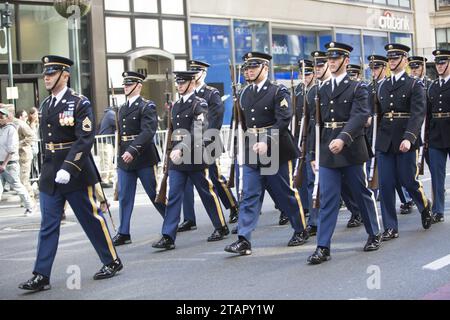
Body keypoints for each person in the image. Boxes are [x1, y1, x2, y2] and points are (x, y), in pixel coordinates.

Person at [18, 55, 122, 293]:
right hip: (51, 174)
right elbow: (48, 142)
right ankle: (41, 275)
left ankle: (112, 260)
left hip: (74, 172)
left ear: (65, 75)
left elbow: (85, 139)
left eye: (51, 74)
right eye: (45, 74)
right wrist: (47, 171)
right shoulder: (46, 105)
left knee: (90, 219)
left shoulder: (79, 102)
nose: (46, 78)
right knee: (48, 225)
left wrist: (68, 167)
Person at [224, 52, 308, 256]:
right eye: (246, 68)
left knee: (284, 194)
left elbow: (284, 119)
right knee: (249, 194)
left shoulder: (278, 91)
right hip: (253, 148)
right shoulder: (244, 93)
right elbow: (244, 123)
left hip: (276, 148)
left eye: (253, 67)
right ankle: (244, 239)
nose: (248, 71)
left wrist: (267, 141)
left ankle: (300, 229)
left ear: (265, 68)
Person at [307, 42, 382, 265]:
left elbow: (360, 116)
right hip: (328, 151)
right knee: (328, 198)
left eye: (335, 58)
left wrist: (343, 137)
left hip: (350, 149)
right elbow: (316, 123)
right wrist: (313, 153)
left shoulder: (358, 88)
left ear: (346, 61)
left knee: (360, 192)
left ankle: (374, 233)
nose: (330, 62)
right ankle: (323, 246)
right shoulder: (321, 89)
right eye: (328, 58)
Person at [152, 71, 229, 250]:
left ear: (192, 84)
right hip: (177, 160)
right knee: (173, 196)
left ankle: (221, 226)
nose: (179, 85)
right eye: (178, 83)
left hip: (194, 156)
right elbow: (172, 132)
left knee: (206, 193)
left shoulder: (199, 103)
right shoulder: (176, 105)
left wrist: (181, 148)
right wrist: (169, 154)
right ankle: (168, 236)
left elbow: (198, 129)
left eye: (182, 83)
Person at [376, 44, 432, 241]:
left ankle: (425, 205)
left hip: (405, 139)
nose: (391, 61)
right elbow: (378, 114)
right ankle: (390, 227)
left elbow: (417, 114)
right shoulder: (382, 85)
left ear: (405, 61)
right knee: (385, 184)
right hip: (385, 141)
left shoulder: (415, 85)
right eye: (389, 58)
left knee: (408, 181)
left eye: (395, 58)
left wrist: (409, 137)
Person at [177, 60, 239, 233]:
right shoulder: (185, 95)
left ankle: (233, 206)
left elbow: (216, 119)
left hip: (208, 142)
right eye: (192, 72)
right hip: (189, 144)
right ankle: (189, 218)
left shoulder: (211, 93)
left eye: (197, 72)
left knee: (215, 177)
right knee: (187, 181)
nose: (194, 75)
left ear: (203, 74)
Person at [112, 71, 166, 246]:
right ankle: (123, 232)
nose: (126, 87)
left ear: (138, 86)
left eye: (129, 84)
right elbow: (120, 134)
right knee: (125, 196)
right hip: (124, 158)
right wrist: (119, 155)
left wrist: (133, 150)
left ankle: (170, 220)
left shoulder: (146, 106)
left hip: (142, 156)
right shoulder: (121, 108)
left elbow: (148, 131)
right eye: (125, 84)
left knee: (153, 193)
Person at [427, 49, 450, 223]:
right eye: (438, 63)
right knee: (436, 174)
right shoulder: (432, 86)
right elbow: (427, 114)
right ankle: (438, 210)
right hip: (435, 134)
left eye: (443, 63)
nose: (439, 66)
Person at [0, 108, 34, 216]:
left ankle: (30, 207)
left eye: (2, 116)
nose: (0, 118)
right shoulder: (1, 129)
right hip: (1, 163)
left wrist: (4, 164)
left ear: (8, 117)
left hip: (10, 164)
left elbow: (12, 148)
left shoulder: (12, 129)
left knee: (18, 185)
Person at [14, 108, 37, 205]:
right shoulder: (12, 124)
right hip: (16, 156)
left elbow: (32, 136)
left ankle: (31, 201)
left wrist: (18, 144)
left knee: (24, 180)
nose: (27, 118)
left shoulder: (20, 124)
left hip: (24, 155)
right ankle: (25, 200)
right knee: (19, 180)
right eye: (25, 116)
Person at [97, 105, 116, 188]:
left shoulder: (107, 114)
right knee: (106, 161)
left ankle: (109, 178)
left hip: (107, 141)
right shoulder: (111, 114)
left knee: (109, 160)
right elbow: (117, 123)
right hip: (105, 141)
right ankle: (104, 179)